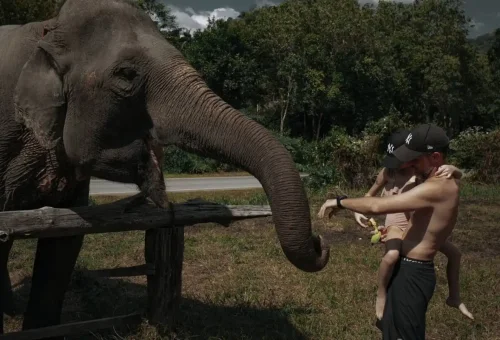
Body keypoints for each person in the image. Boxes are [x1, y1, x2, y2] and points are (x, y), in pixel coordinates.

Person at [318, 123, 468, 340]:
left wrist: (340, 201)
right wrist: (456, 170)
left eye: (415, 159)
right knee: (390, 330)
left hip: (413, 274)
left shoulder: (436, 188)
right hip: (406, 268)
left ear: (435, 157)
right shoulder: (436, 180)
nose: (409, 164)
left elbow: (377, 206)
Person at [353, 129, 473, 321]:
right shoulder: (386, 173)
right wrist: (357, 210)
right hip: (395, 227)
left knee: (455, 254)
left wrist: (453, 169)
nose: (399, 166)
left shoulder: (418, 174)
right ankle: (381, 293)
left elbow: (452, 176)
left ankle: (455, 297)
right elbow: (369, 196)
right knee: (391, 256)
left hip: (416, 228)